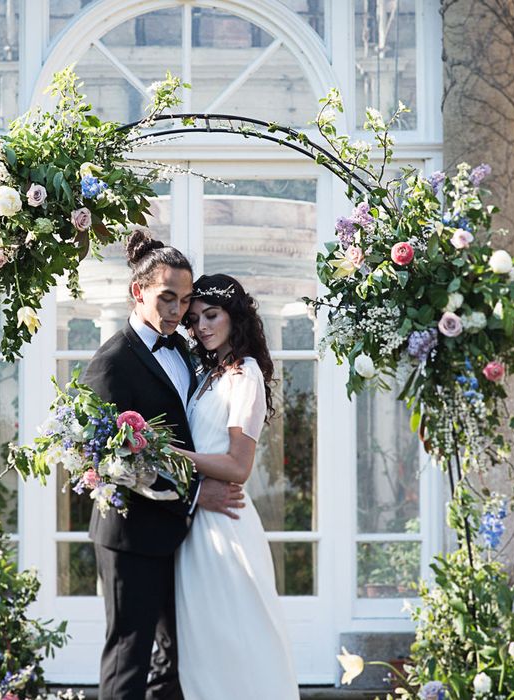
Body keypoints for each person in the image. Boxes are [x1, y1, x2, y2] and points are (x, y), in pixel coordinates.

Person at [83, 231, 245, 700]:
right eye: (167, 298)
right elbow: (110, 461)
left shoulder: (190, 352)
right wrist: (197, 492)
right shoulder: (112, 363)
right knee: (128, 658)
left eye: (186, 300)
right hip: (130, 536)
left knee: (175, 661)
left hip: (182, 534)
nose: (177, 311)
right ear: (139, 292)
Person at [174, 273, 300, 700]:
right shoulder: (209, 374)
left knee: (238, 640)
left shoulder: (244, 374)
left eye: (211, 315)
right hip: (197, 521)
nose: (202, 327)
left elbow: (238, 465)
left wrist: (170, 456)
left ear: (234, 316)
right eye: (193, 320)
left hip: (226, 524)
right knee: (204, 646)